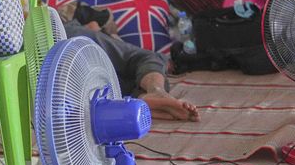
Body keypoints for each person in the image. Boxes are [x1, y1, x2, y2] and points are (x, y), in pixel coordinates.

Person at [61, 12, 199, 122]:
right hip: (66, 38)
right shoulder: (81, 17)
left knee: (117, 82)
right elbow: (93, 24)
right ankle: (156, 92)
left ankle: (142, 99)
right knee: (147, 58)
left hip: (66, 82)